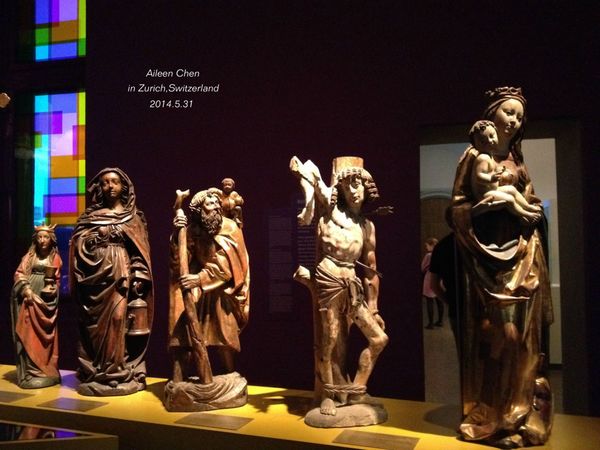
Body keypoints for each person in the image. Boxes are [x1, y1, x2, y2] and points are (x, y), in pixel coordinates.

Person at [451, 87, 554, 447]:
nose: (514, 121)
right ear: (492, 115)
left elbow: (531, 201)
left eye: (519, 116)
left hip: (525, 255)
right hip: (488, 261)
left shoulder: (516, 159)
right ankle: (493, 413)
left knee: (526, 340)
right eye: (509, 112)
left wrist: (526, 208)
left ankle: (520, 415)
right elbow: (458, 209)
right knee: (501, 338)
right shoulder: (473, 156)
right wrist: (494, 206)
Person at [291, 156, 388, 420]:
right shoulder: (330, 212)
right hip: (329, 278)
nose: (354, 190)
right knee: (330, 339)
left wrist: (374, 306)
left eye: (358, 184)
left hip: (352, 284)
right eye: (348, 185)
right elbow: (310, 174)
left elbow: (370, 269)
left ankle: (356, 389)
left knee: (379, 339)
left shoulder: (367, 226)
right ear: (341, 190)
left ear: (367, 188)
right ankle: (328, 393)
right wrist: (303, 177)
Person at [70, 168, 154, 396]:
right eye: (105, 182)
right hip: (94, 276)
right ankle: (98, 371)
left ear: (123, 186)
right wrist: (91, 240)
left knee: (118, 319)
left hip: (119, 273)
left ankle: (116, 369)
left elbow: (140, 251)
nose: (110, 186)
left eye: (114, 182)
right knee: (93, 323)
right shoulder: (90, 217)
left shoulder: (132, 218)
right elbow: (77, 244)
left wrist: (139, 274)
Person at [168, 188, 250, 381]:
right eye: (209, 204)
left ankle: (230, 373)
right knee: (184, 331)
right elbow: (179, 262)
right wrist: (177, 234)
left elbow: (228, 263)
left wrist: (200, 278)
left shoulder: (230, 228)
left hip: (223, 288)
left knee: (224, 333)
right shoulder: (193, 230)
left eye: (216, 203)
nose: (215, 207)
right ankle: (180, 377)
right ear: (199, 210)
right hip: (198, 288)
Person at [10, 224, 62, 388]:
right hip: (30, 298)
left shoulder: (55, 258)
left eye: (45, 237)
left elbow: (57, 280)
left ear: (51, 239)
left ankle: (44, 370)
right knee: (28, 332)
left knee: (44, 336)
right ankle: (30, 371)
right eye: (39, 237)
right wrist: (26, 290)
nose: (42, 240)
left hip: (46, 301)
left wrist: (53, 289)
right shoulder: (29, 256)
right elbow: (19, 273)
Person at [469, 120, 541, 222]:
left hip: (493, 190)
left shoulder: (490, 156)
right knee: (509, 200)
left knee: (511, 190)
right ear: (476, 144)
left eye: (492, 136)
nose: (489, 141)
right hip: (484, 195)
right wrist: (491, 178)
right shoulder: (483, 157)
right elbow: (479, 176)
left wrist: (497, 171)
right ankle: (525, 214)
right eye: (483, 141)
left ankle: (527, 206)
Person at [421, 237, 443, 329]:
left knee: (429, 301)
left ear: (432, 245)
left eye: (427, 245)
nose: (426, 248)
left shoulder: (429, 255)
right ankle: (440, 321)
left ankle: (431, 324)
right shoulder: (441, 254)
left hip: (430, 278)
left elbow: (422, 267)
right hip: (440, 278)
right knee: (439, 300)